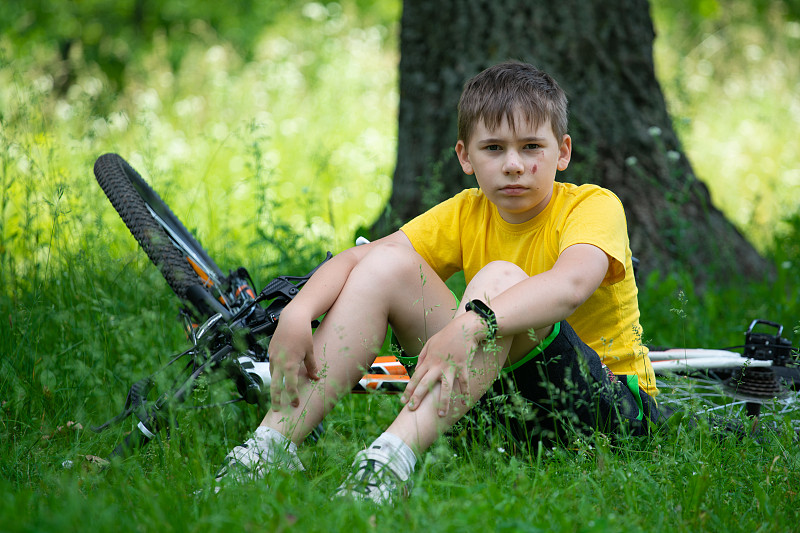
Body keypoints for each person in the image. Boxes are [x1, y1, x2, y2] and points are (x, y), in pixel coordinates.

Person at [214, 61, 660, 502]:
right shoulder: (467, 211)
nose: (513, 165)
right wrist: (298, 311)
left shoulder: (593, 206)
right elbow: (360, 258)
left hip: (605, 413)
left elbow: (570, 286)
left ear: (562, 152)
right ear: (465, 156)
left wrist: (472, 324)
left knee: (498, 278)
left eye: (530, 147)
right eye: (493, 148)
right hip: (494, 407)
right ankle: (269, 446)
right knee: (387, 264)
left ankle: (388, 463)